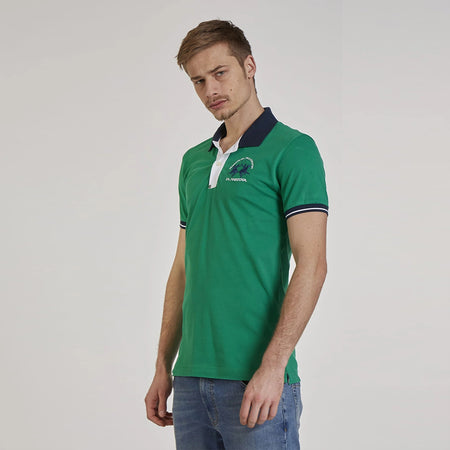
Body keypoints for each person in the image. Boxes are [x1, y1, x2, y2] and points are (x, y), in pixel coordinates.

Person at [145, 19, 328, 450]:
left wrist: (274, 366)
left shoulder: (293, 150)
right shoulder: (193, 162)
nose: (211, 90)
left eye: (219, 73)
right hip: (189, 382)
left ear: (249, 66)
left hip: (255, 381)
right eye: (198, 81)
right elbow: (183, 268)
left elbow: (313, 264)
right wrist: (163, 365)